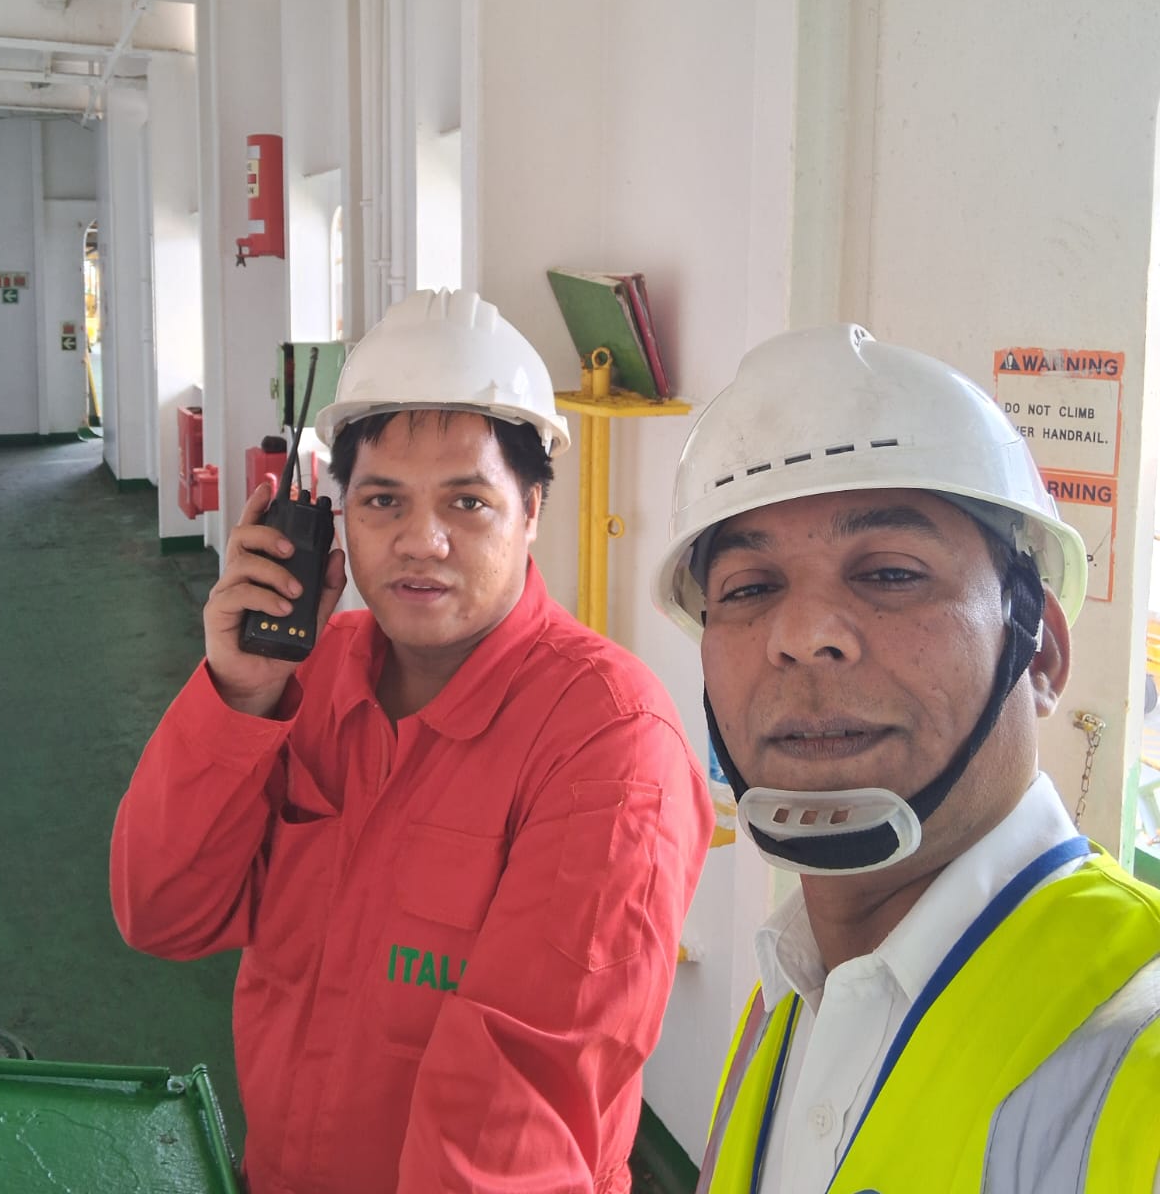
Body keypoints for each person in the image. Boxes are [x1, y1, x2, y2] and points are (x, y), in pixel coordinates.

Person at [112, 287, 713, 1194]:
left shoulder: (609, 746)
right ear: (336, 517)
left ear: (531, 510)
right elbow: (163, 914)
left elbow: (516, 1126)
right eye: (383, 500)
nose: (420, 541)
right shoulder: (305, 682)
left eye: (467, 502)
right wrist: (240, 697)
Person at [652, 323, 1160, 1193]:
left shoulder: (1135, 1036)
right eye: (749, 588)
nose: (802, 636)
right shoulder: (788, 993)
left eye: (890, 573)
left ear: (1039, 654)